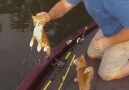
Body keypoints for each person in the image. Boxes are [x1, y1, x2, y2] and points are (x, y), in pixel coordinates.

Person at [36, 0, 129, 81]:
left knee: (106, 75)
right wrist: (49, 15)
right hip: (109, 28)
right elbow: (64, 5)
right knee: (92, 55)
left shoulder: (117, 2)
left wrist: (109, 41)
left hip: (124, 34)